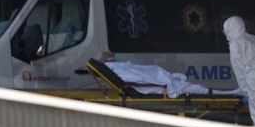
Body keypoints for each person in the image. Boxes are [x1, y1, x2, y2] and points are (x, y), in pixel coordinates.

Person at [96, 52, 244, 98]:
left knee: (194, 88)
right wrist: (164, 82)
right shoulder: (117, 68)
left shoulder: (116, 68)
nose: (114, 55)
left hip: (159, 83)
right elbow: (138, 78)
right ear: (108, 59)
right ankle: (232, 94)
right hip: (159, 86)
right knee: (194, 89)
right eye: (110, 55)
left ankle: (232, 93)